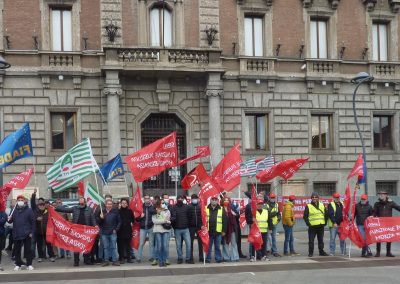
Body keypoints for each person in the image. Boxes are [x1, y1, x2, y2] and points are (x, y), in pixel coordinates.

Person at [56, 197, 97, 266]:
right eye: (80, 203)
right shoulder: (75, 208)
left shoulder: (89, 209)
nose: (81, 204)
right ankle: (76, 261)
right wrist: (56, 208)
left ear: (85, 203)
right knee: (76, 246)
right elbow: (65, 210)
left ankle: (86, 260)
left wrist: (95, 225)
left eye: (82, 203)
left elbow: (92, 219)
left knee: (86, 245)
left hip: (86, 231)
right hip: (76, 231)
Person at [8, 195, 35, 271]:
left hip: (27, 233)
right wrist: (8, 219)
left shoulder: (29, 210)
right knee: (17, 250)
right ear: (17, 201)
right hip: (16, 233)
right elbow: (10, 221)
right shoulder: (14, 210)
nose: (20, 201)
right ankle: (18, 264)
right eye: (19, 200)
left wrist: (32, 232)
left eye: (21, 200)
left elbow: (33, 222)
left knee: (28, 250)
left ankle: (29, 264)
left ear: (24, 201)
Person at [373, 190, 400, 257]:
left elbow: (398, 208)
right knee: (379, 237)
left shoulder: (391, 203)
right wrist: (372, 217)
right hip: (380, 223)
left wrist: (393, 202)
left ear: (386, 195)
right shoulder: (377, 204)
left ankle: (388, 252)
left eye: (382, 194)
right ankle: (378, 252)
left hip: (388, 223)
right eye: (380, 194)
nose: (381, 195)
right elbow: (374, 212)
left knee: (389, 237)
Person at [31, 194, 55, 262]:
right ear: (38, 206)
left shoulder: (48, 211)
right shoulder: (35, 211)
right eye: (40, 205)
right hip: (38, 232)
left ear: (45, 205)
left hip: (47, 232)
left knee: (49, 245)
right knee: (39, 245)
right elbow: (32, 219)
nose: (41, 206)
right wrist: (36, 219)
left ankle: (51, 256)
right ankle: (40, 257)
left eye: (43, 205)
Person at [303, 192, 328, 257]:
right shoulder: (308, 206)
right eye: (313, 197)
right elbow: (305, 216)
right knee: (311, 240)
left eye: (315, 197)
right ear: (311, 198)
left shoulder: (322, 205)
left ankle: (321, 252)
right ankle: (310, 253)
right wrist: (308, 224)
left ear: (318, 198)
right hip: (312, 226)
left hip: (320, 225)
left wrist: (325, 222)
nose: (314, 198)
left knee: (321, 240)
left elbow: (326, 214)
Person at [97, 199, 121, 266]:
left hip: (113, 232)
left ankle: (114, 260)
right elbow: (98, 222)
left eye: (110, 204)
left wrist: (116, 229)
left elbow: (119, 222)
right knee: (106, 247)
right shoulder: (102, 212)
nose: (109, 205)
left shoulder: (115, 212)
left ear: (112, 205)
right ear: (105, 204)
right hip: (104, 233)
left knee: (113, 247)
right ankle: (106, 260)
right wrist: (100, 218)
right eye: (108, 204)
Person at [170, 195, 192, 264]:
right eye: (178, 199)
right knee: (178, 245)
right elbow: (171, 218)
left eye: (181, 198)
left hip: (186, 229)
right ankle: (180, 258)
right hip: (177, 229)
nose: (180, 200)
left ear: (183, 199)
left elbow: (189, 217)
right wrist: (174, 227)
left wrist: (188, 225)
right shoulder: (173, 207)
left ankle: (188, 258)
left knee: (188, 244)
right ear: (176, 199)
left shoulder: (187, 207)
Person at [205, 196, 227, 263]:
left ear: (217, 201)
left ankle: (218, 258)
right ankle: (208, 258)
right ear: (210, 200)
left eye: (215, 199)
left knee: (217, 247)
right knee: (209, 247)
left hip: (218, 231)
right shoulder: (205, 208)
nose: (214, 201)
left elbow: (225, 221)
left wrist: (224, 231)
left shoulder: (221, 209)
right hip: (209, 231)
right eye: (213, 199)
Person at [136, 194, 156, 263]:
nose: (147, 199)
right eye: (146, 198)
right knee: (141, 243)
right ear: (144, 199)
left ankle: (151, 257)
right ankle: (138, 257)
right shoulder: (141, 207)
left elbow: (156, 215)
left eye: (148, 198)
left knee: (151, 243)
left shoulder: (153, 207)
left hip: (151, 227)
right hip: (143, 228)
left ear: (149, 199)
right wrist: (140, 217)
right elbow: (136, 219)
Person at [152, 199, 171, 267]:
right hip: (157, 230)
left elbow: (168, 220)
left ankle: (164, 260)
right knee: (159, 246)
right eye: (162, 203)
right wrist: (164, 220)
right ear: (158, 204)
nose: (163, 204)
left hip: (165, 230)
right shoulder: (155, 211)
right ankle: (160, 261)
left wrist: (163, 220)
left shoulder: (167, 210)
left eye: (164, 203)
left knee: (165, 246)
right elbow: (155, 221)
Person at [221, 197, 239, 262]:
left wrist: (234, 214)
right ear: (222, 202)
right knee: (225, 243)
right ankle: (226, 257)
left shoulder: (231, 208)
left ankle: (235, 257)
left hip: (232, 228)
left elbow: (237, 215)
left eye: (227, 200)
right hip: (224, 229)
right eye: (225, 200)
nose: (226, 201)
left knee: (234, 243)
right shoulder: (220, 209)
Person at [187, 194, 203, 263]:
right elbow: (187, 217)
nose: (194, 200)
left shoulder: (200, 206)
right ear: (191, 199)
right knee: (190, 243)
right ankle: (191, 257)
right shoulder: (189, 207)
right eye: (193, 198)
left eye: (196, 198)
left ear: (198, 199)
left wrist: (202, 225)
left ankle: (201, 257)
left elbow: (202, 216)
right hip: (191, 227)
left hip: (199, 227)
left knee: (201, 242)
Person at [118, 198, 134, 264]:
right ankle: (121, 258)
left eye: (125, 203)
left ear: (127, 204)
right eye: (122, 203)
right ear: (120, 204)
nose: (124, 204)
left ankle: (128, 258)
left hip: (128, 230)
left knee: (128, 245)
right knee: (120, 245)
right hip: (120, 230)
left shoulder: (130, 211)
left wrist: (131, 222)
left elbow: (133, 220)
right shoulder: (118, 211)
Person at [265, 192, 281, 257]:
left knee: (273, 238)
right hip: (268, 224)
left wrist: (278, 219)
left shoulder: (276, 204)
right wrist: (275, 213)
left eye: (274, 197)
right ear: (269, 198)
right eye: (272, 197)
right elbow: (268, 215)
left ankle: (274, 251)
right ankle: (267, 250)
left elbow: (279, 214)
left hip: (274, 224)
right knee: (267, 238)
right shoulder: (266, 205)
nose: (273, 199)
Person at [161, 193, 172, 265]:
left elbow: (173, 215)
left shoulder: (171, 207)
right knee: (160, 244)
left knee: (166, 244)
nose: (166, 199)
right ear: (162, 199)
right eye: (165, 198)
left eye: (167, 198)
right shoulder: (159, 206)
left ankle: (166, 258)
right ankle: (160, 258)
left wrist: (170, 219)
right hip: (159, 227)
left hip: (168, 227)